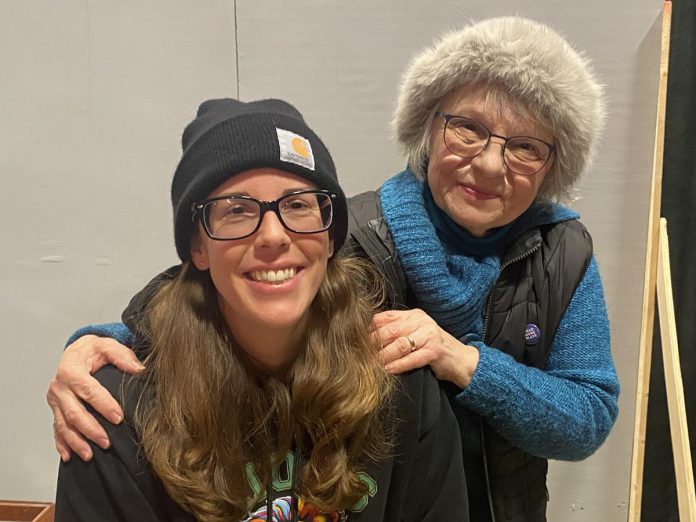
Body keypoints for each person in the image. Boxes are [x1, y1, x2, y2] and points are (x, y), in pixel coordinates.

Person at [48, 17, 620, 522]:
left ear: (552, 167)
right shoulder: (354, 233)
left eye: (525, 147)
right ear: (428, 129)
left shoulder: (562, 252)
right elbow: (238, 287)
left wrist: (465, 363)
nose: (491, 163)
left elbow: (588, 417)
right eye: (467, 128)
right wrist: (99, 346)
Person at [53, 98, 468, 521]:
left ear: (329, 238)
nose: (273, 236)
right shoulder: (115, 413)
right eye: (237, 210)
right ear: (198, 247)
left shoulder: (399, 379)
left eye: (298, 204)